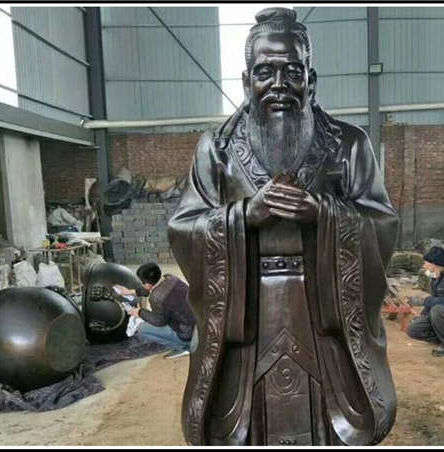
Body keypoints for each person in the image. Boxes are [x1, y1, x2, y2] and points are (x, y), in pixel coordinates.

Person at [168, 8, 399, 446]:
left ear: (311, 80)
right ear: (246, 81)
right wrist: (242, 216)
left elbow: (383, 223)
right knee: (245, 426)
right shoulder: (216, 149)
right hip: (247, 313)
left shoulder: (349, 144)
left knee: (333, 424)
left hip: (323, 310)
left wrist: (323, 213)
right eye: (265, 72)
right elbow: (183, 227)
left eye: (293, 71)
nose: (279, 84)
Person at [114, 263, 196, 360]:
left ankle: (183, 348)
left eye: (142, 283)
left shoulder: (156, 298)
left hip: (187, 333)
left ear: (148, 285)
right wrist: (130, 292)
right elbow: (151, 288)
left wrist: (140, 312)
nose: (141, 284)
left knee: (142, 329)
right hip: (197, 324)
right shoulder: (171, 278)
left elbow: (159, 322)